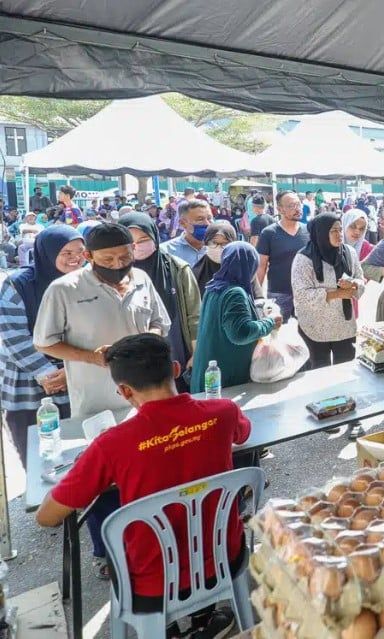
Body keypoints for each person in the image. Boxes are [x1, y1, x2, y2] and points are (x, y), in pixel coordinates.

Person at [36, 333, 248, 637]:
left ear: (123, 391)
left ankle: (169, 627)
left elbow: (48, 516)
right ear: (176, 370)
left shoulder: (111, 445)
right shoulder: (224, 412)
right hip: (225, 559)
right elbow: (243, 433)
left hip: (152, 584)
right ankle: (206, 619)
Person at [34, 223, 171, 420]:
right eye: (107, 259)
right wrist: (92, 357)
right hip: (96, 403)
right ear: (88, 257)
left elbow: (159, 322)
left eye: (124, 257)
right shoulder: (63, 289)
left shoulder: (142, 279)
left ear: (133, 249)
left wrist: (145, 343)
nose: (117, 265)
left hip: (146, 396)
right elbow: (44, 343)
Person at [0, 227, 82, 464]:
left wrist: (72, 372)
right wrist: (49, 375)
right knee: (37, 458)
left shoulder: (86, 282)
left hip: (74, 378)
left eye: (80, 251)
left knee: (76, 455)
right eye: (66, 252)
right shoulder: (18, 285)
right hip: (29, 384)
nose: (75, 258)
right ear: (47, 253)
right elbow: (14, 338)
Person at [119, 212, 201, 390]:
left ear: (154, 237)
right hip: (132, 361)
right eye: (131, 241)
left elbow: (194, 316)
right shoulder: (113, 273)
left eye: (143, 239)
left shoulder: (178, 269)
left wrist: (196, 354)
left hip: (176, 353)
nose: (137, 246)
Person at [191, 242, 281, 393]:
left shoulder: (213, 287)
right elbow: (240, 333)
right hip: (225, 380)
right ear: (250, 265)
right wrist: (269, 322)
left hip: (209, 374)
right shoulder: (234, 293)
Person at [292, 213, 365, 372]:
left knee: (345, 372)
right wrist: (337, 294)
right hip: (315, 327)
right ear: (321, 232)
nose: (339, 235)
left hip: (344, 327)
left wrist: (353, 284)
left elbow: (361, 280)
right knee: (319, 375)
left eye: (340, 230)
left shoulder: (349, 253)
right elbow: (301, 294)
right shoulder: (304, 258)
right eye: (333, 231)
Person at [256, 191, 310, 321]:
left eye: (299, 204)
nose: (298, 209)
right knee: (277, 334)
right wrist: (257, 296)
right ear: (280, 209)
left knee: (305, 336)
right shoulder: (269, 233)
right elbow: (261, 267)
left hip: (305, 293)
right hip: (278, 294)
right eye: (292, 206)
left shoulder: (309, 231)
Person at [160, 199, 211, 267]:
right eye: (200, 219)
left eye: (209, 218)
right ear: (183, 223)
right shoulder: (166, 252)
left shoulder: (221, 249)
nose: (207, 223)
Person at [193, 221, 238, 291]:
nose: (218, 248)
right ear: (206, 243)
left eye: (225, 244)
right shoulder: (195, 273)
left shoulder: (244, 271)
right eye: (214, 243)